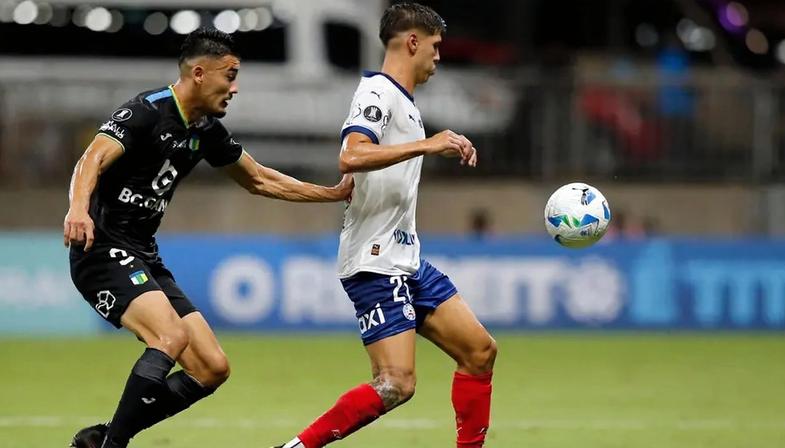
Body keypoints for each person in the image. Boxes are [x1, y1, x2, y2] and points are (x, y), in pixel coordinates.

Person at [64, 27, 352, 448]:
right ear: (199, 73)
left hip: (143, 254)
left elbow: (259, 179)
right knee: (171, 338)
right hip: (102, 248)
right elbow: (92, 158)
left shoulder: (205, 129)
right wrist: (76, 208)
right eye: (229, 75)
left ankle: (105, 439)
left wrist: (330, 193)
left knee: (211, 366)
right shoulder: (146, 111)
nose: (235, 88)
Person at [273, 4, 497, 447]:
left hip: (405, 258)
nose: (438, 57)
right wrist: (428, 145)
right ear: (412, 42)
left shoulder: (403, 102)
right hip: (377, 260)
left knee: (479, 351)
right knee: (395, 383)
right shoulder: (378, 93)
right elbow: (350, 154)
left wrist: (424, 143)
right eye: (435, 47)